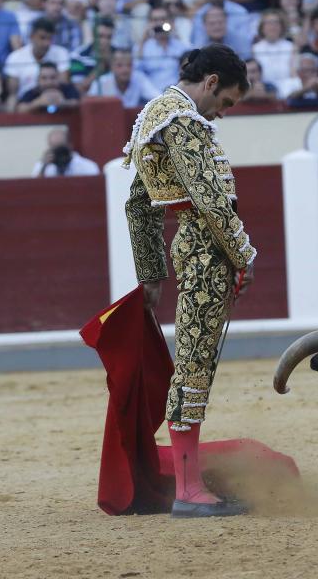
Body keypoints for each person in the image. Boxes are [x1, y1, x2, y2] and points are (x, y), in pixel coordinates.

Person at [123, 45, 255, 517]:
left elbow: (138, 204)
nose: (221, 115)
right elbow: (212, 201)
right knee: (194, 368)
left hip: (190, 247)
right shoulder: (181, 121)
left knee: (192, 363)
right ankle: (189, 491)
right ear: (212, 82)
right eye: (227, 103)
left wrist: (151, 274)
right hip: (205, 251)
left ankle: (189, 483)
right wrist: (244, 257)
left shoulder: (153, 117)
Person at [3, 17, 70, 99]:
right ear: (31, 37)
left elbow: (64, 85)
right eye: (42, 38)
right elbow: (12, 94)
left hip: (55, 101)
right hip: (25, 104)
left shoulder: (61, 53)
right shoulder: (15, 57)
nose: (46, 43)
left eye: (50, 38)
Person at [135, 6, 190, 90]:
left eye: (163, 19)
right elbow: (136, 73)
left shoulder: (181, 46)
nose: (159, 23)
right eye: (155, 20)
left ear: (171, 22)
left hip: (178, 93)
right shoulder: (142, 47)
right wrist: (143, 40)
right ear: (149, 23)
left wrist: (176, 33)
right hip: (151, 96)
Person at [88, 48, 159, 106]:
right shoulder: (101, 82)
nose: (125, 70)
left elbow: (157, 97)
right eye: (119, 65)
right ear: (112, 67)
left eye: (129, 65)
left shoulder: (139, 78)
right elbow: (89, 104)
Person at [251, 8, 297, 87]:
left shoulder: (291, 46)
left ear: (282, 27)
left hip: (287, 87)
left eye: (276, 23)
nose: (272, 26)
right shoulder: (255, 48)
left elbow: (294, 74)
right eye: (269, 23)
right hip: (264, 89)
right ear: (262, 27)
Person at [16, 60, 80, 113]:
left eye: (53, 78)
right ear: (38, 80)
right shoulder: (33, 92)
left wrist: (63, 103)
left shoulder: (68, 89)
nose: (49, 82)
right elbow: (20, 109)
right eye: (44, 78)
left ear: (58, 78)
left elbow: (78, 103)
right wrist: (38, 103)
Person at [32, 128, 100, 177]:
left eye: (61, 148)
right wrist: (43, 168)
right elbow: (34, 189)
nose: (58, 152)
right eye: (54, 148)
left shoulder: (87, 166)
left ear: (70, 146)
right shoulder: (41, 166)